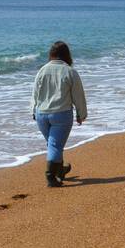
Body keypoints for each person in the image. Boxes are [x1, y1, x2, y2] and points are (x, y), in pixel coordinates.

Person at [31, 41, 87, 187]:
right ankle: (50, 176)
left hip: (41, 114)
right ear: (67, 55)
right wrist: (81, 114)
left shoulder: (42, 70)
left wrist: (33, 110)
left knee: (53, 144)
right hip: (61, 115)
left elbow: (35, 94)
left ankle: (60, 170)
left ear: (51, 55)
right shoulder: (69, 71)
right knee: (55, 145)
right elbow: (78, 96)